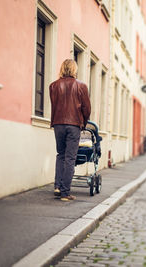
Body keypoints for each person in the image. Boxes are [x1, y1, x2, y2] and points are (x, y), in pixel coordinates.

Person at [49, 59, 91, 201]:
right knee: (70, 158)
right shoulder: (82, 86)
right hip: (73, 125)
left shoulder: (53, 86)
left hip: (58, 124)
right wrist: (83, 123)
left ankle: (57, 186)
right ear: (74, 69)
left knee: (60, 154)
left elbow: (55, 105)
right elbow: (87, 109)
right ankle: (65, 193)